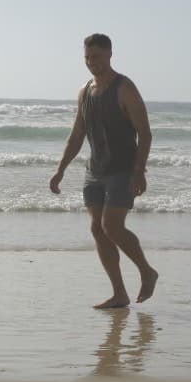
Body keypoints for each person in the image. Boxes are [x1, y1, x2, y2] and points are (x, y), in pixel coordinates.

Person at [49, 33, 158, 309]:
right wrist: (60, 169)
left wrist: (139, 171)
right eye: (87, 57)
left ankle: (146, 271)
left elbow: (145, 133)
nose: (91, 62)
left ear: (110, 54)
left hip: (122, 169)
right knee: (97, 229)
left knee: (112, 226)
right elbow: (77, 134)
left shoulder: (124, 88)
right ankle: (119, 293)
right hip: (94, 170)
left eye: (96, 56)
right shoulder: (84, 91)